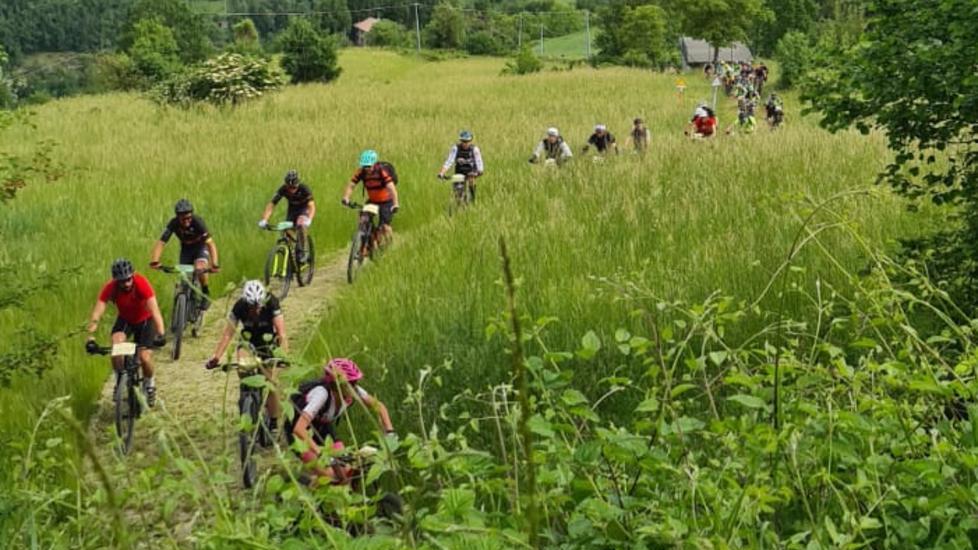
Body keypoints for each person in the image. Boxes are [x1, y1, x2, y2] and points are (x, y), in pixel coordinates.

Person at [288, 358, 395, 483]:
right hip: (300, 433)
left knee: (347, 472)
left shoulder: (354, 391)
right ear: (336, 385)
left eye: (355, 382)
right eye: (350, 383)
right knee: (328, 476)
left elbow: (379, 407)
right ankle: (307, 494)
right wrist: (320, 452)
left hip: (324, 429)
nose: (354, 387)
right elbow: (298, 429)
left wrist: (390, 432)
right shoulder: (321, 394)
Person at [205, 280, 287, 439]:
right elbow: (228, 333)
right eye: (251, 307)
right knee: (243, 369)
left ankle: (274, 422)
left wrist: (282, 356)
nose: (255, 310)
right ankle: (247, 399)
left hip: (267, 344)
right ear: (245, 303)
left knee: (270, 384)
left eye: (258, 307)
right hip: (248, 343)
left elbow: (281, 333)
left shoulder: (272, 302)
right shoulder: (239, 306)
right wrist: (216, 356)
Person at [85, 258, 166, 407]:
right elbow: (97, 314)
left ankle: (149, 385)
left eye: (128, 280)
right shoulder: (110, 288)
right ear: (116, 281)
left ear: (132, 275)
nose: (126, 284)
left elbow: (155, 311)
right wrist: (90, 338)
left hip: (145, 320)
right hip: (126, 320)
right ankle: (120, 381)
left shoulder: (141, 283)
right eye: (122, 281)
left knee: (145, 357)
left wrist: (161, 333)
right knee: (117, 347)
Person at [149, 199, 220, 310]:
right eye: (183, 218)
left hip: (200, 247)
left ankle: (205, 292)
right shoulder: (173, 223)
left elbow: (211, 244)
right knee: (183, 276)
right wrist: (155, 260)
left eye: (189, 217)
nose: (187, 221)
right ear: (178, 217)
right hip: (186, 249)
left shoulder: (198, 222)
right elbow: (161, 242)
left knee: (199, 267)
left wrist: (215, 263)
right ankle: (183, 308)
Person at [259, 170, 316, 263]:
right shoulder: (283, 189)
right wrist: (264, 220)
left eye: (293, 188)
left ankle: (303, 251)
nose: (291, 190)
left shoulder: (304, 189)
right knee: (286, 231)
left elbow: (312, 206)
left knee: (300, 224)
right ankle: (291, 262)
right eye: (289, 187)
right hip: (292, 211)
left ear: (297, 184)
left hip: (304, 210)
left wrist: (309, 219)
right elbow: (271, 204)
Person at [342, 150, 400, 241]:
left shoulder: (381, 172)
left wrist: (396, 204)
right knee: (363, 219)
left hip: (386, 201)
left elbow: (392, 188)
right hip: (373, 200)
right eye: (364, 166)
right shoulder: (361, 172)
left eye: (369, 166)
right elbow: (351, 185)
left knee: (384, 226)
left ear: (374, 164)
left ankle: (390, 243)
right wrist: (346, 198)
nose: (367, 168)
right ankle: (365, 242)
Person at [437, 130, 484, 203]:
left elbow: (479, 162)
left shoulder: (474, 149)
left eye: (467, 141)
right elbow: (449, 161)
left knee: (471, 181)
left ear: (470, 141)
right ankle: (458, 204)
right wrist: (442, 173)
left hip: (471, 171)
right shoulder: (455, 148)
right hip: (459, 171)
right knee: (458, 191)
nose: (465, 143)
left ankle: (473, 199)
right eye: (463, 141)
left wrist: (479, 172)